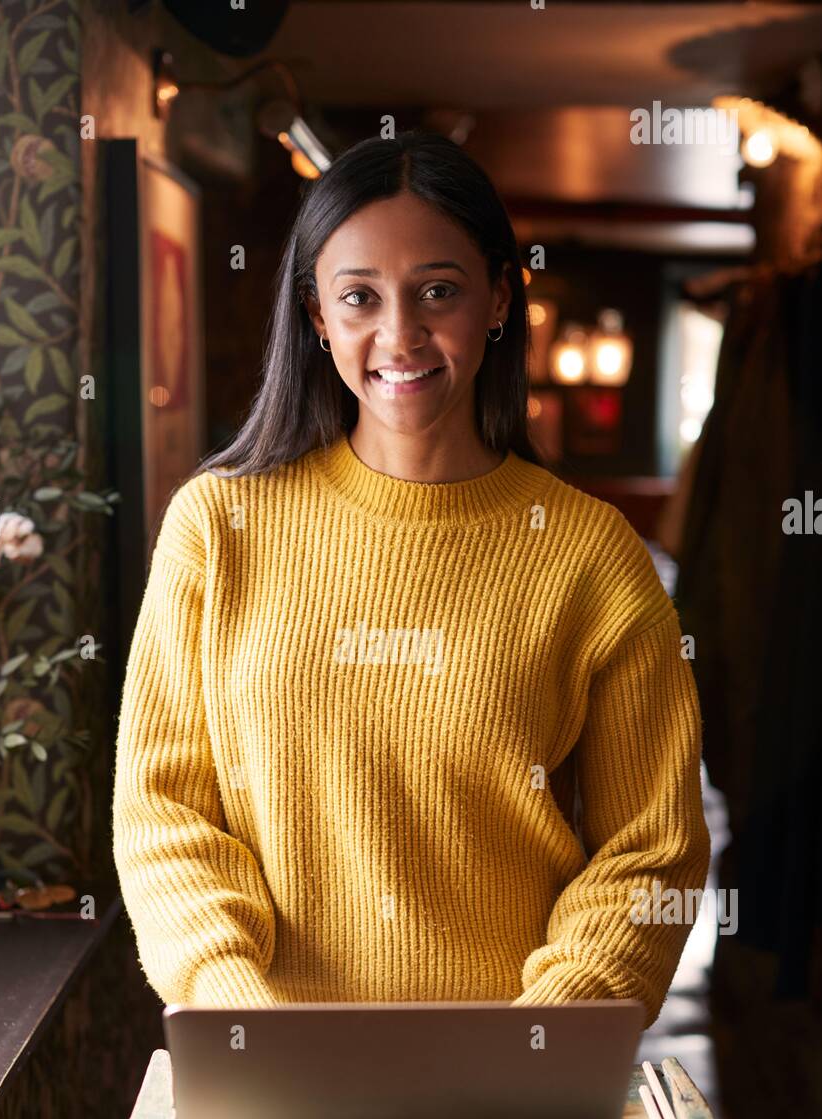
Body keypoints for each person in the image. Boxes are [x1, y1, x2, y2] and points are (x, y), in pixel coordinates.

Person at [112, 131, 710, 1027]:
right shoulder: (219, 529)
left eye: (439, 291)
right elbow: (164, 814)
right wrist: (242, 1014)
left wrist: (544, 1034)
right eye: (360, 297)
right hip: (270, 1071)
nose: (401, 335)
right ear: (317, 315)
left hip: (516, 1079)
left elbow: (649, 853)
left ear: (499, 298)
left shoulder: (594, 557)